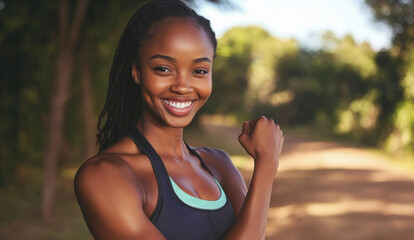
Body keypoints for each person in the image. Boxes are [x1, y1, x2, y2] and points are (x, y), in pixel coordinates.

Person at [74, 0, 284, 239]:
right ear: (136, 71)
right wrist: (266, 167)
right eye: (163, 69)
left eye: (199, 71)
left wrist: (266, 166)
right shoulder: (106, 176)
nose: (183, 86)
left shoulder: (220, 165)